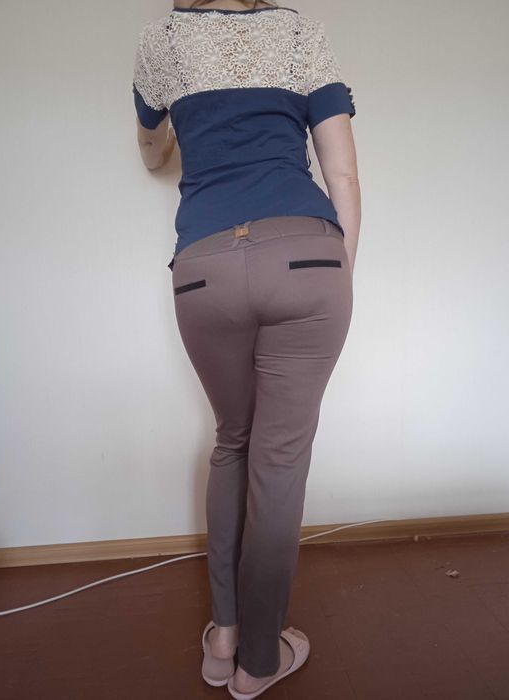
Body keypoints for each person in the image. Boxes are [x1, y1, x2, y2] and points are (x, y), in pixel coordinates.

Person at [132, 0, 360, 696]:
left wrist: (180, 137)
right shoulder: (298, 32)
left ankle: (224, 637)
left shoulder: (161, 42)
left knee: (233, 439)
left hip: (203, 267)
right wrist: (338, 271)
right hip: (304, 255)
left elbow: (151, 152)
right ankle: (260, 661)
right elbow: (342, 176)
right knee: (280, 459)